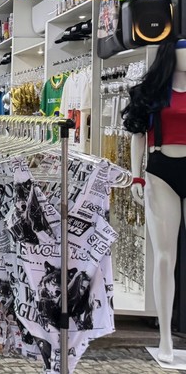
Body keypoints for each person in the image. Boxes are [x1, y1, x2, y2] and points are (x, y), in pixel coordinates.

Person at [122, 38, 186, 364]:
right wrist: (136, 176)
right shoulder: (152, 92)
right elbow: (137, 135)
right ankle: (164, 337)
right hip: (160, 172)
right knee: (164, 257)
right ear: (170, 55)